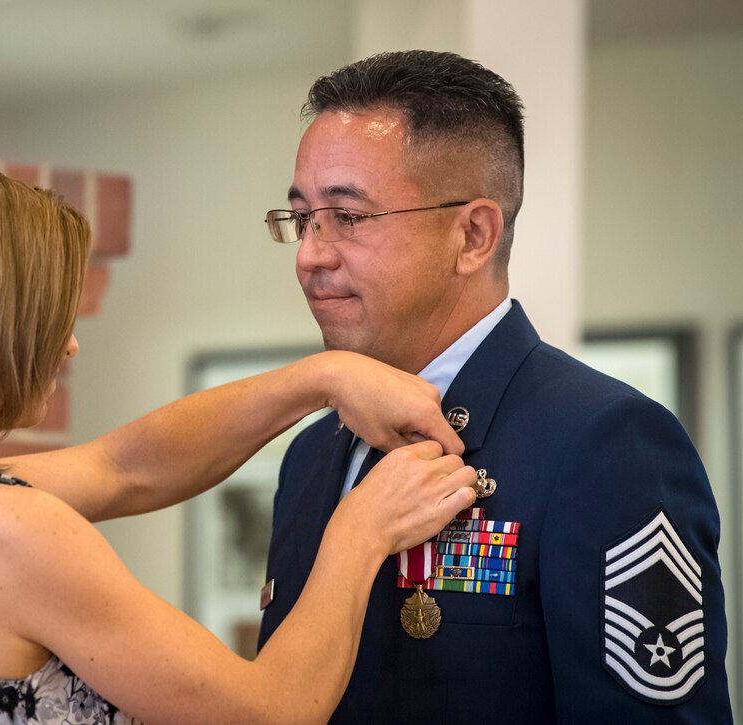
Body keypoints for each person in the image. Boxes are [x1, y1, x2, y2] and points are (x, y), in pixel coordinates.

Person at [0, 162, 479, 724]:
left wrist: (321, 378)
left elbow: (125, 467)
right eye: (51, 316)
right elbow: (269, 710)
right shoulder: (6, 533)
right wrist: (359, 531)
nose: (70, 344)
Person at [256, 49, 733, 723]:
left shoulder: (604, 443)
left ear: (474, 235)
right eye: (302, 218)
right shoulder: (312, 452)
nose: (310, 254)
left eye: (348, 218)